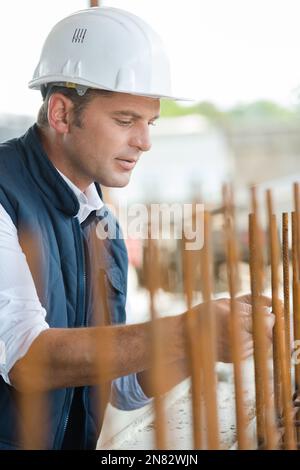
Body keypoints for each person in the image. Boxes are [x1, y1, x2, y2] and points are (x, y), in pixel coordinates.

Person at [0, 7, 275, 450]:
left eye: (150, 123)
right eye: (126, 121)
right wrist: (184, 330)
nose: (145, 142)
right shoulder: (3, 195)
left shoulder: (102, 225)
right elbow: (27, 359)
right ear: (61, 114)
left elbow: (122, 386)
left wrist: (202, 343)